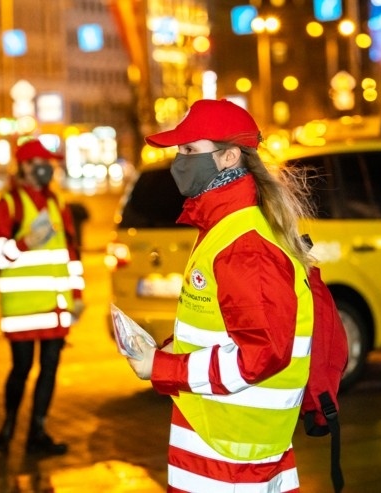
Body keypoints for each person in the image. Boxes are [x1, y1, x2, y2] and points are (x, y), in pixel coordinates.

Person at [126, 99, 315, 492]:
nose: (179, 161)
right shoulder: (223, 228)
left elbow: (260, 354)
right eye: (179, 150)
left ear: (229, 157)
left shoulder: (244, 245)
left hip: (232, 458)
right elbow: (223, 330)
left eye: (190, 150)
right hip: (226, 444)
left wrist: (162, 368)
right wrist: (164, 351)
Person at [0, 138, 84, 456]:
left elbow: (71, 253)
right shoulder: (10, 204)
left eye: (51, 163)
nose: (49, 169)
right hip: (24, 310)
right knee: (21, 368)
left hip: (56, 308)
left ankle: (37, 432)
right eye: (42, 163)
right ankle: (7, 426)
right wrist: (25, 242)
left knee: (50, 367)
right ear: (26, 166)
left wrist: (78, 294)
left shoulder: (56, 204)